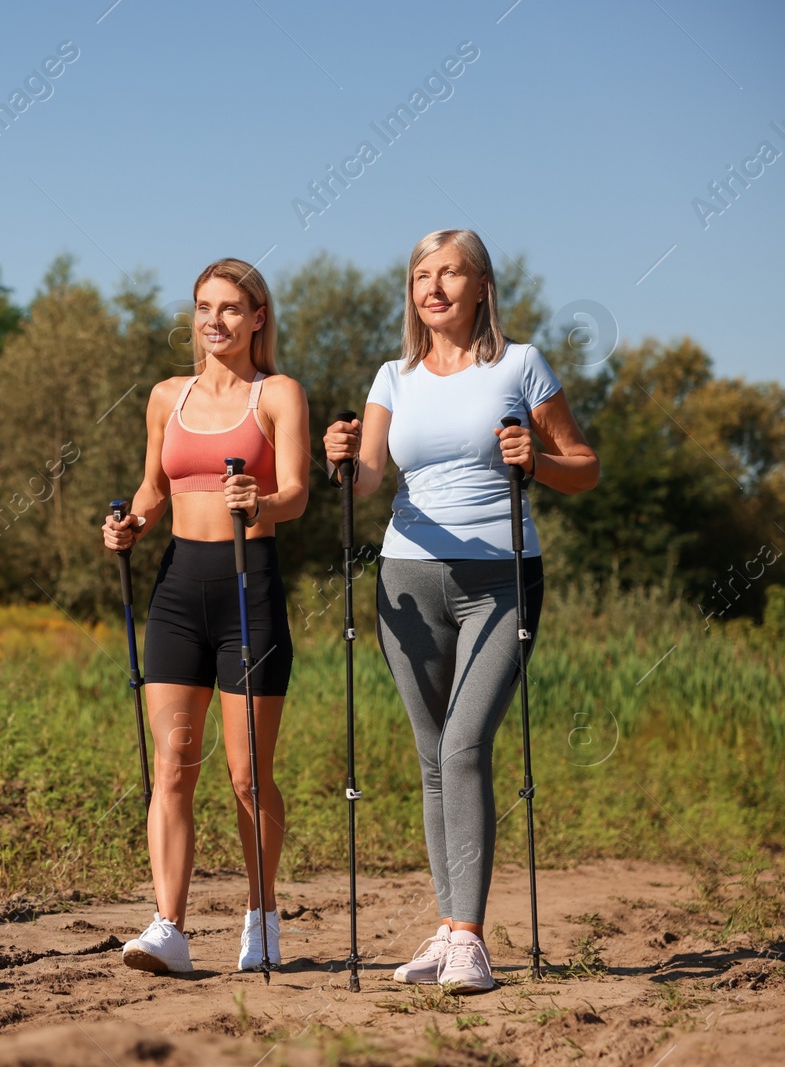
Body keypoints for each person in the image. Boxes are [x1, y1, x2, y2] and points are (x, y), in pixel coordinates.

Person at [322, 229, 599, 993]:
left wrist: (536, 462)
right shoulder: (393, 377)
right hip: (408, 582)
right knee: (432, 754)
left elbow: (585, 467)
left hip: (501, 576)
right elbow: (369, 481)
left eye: (449, 273)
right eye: (420, 275)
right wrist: (338, 457)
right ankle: (447, 929)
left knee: (465, 744)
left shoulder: (521, 364)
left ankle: (471, 939)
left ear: (482, 285)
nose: (432, 287)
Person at [103, 258, 310, 974]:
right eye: (202, 307)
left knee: (248, 774)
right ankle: (169, 926)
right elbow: (154, 490)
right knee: (172, 766)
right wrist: (129, 522)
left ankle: (263, 914)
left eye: (229, 308)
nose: (213, 320)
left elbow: (297, 495)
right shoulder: (168, 396)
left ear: (257, 318)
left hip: (249, 590)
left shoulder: (278, 394)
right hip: (177, 590)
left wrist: (261, 501)